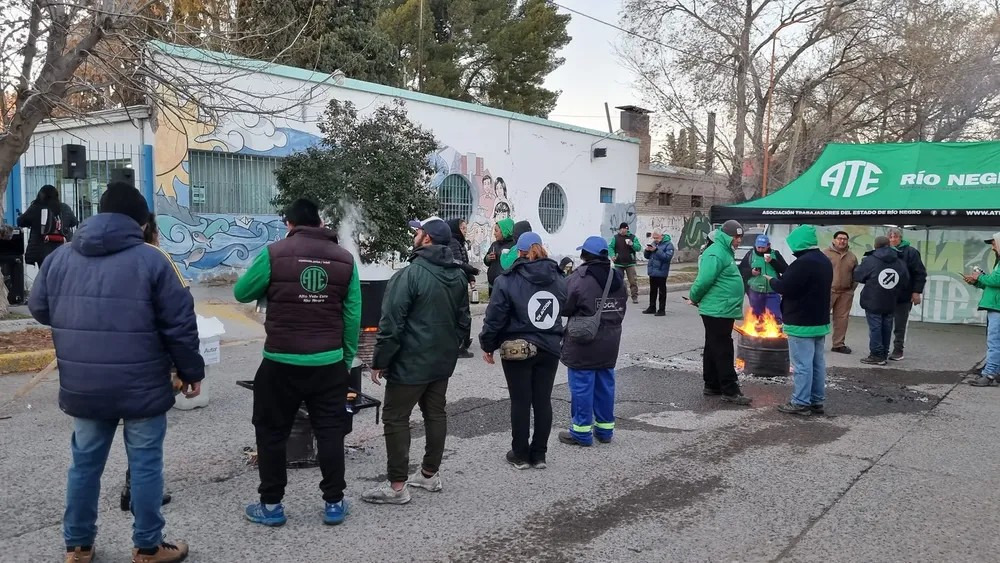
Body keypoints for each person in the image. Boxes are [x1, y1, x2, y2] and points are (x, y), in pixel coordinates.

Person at [28, 182, 203, 563]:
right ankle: (147, 547)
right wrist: (190, 371)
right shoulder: (154, 260)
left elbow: (40, 308)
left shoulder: (60, 258)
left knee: (84, 464)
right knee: (144, 464)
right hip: (143, 385)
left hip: (84, 385)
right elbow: (180, 324)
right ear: (141, 223)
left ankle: (78, 547)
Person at [232, 198, 360, 527]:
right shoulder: (345, 260)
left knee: (272, 432)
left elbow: (242, 292)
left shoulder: (274, 253)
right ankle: (334, 503)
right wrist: (344, 360)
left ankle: (272, 506)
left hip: (280, 362)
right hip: (328, 363)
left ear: (289, 224)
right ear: (319, 222)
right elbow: (352, 316)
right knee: (331, 432)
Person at [363, 217, 471, 505]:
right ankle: (429, 474)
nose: (416, 234)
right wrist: (450, 348)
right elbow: (464, 322)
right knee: (435, 413)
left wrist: (379, 361)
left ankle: (397, 486)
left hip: (410, 364)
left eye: (419, 231)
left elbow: (391, 324)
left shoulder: (409, 275)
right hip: (441, 363)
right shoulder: (459, 275)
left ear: (428, 239)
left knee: (395, 417)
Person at [479, 231, 567, 469]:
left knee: (520, 402)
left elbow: (495, 318)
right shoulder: (559, 278)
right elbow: (564, 307)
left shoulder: (506, 280)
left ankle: (519, 454)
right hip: (550, 348)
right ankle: (539, 455)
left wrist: (488, 345)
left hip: (518, 349)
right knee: (542, 401)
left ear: (519, 252)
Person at [558, 235, 627, 447]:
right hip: (610, 340)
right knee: (605, 385)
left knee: (582, 386)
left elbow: (565, 306)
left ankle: (581, 433)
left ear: (585, 255)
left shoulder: (580, 278)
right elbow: (622, 306)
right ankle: (605, 431)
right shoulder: (617, 277)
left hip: (584, 341)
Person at [766, 225, 833, 416]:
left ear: (799, 242)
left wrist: (771, 280)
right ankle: (816, 401)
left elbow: (786, 286)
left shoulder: (803, 263)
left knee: (802, 364)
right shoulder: (823, 261)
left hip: (801, 322)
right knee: (816, 363)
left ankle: (801, 402)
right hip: (819, 321)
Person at [688, 220, 752, 406]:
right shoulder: (716, 252)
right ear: (725, 235)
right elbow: (704, 280)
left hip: (721, 308)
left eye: (740, 237)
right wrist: (694, 296)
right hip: (717, 309)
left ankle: (712, 384)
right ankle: (730, 390)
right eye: (736, 236)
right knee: (723, 348)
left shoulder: (724, 251)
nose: (739, 240)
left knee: (713, 345)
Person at [854, 236, 909, 366]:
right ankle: (884, 352)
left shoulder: (870, 260)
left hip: (873, 298)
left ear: (875, 245)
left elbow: (858, 275)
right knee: (887, 326)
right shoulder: (899, 260)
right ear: (888, 245)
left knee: (875, 327)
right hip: (891, 299)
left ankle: (877, 355)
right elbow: (905, 280)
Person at [964, 233, 1000, 386]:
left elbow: (996, 280)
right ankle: (994, 372)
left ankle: (989, 374)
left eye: (994, 244)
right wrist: (976, 282)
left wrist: (978, 277)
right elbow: (993, 285)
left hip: (997, 308)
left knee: (994, 342)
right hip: (995, 306)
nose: (992, 247)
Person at [887, 228, 927, 361]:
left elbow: (920, 273)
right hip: (886, 295)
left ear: (901, 238)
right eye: (891, 237)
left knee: (900, 324)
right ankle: (882, 348)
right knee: (884, 323)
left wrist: (916, 292)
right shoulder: (884, 251)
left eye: (895, 237)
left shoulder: (911, 252)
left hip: (904, 295)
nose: (893, 239)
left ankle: (898, 350)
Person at [18, 184, 78, 267]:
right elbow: (74, 222)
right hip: (62, 248)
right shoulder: (65, 208)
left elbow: (20, 222)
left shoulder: (35, 208)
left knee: (45, 276)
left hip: (41, 251)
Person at [448, 218, 479, 359]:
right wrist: (472, 270)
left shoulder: (459, 242)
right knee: (462, 315)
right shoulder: (453, 242)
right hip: (456, 282)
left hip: (461, 280)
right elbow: (458, 262)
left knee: (464, 313)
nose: (465, 231)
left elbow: (464, 260)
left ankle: (464, 341)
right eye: (463, 228)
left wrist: (471, 278)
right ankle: (460, 346)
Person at [823, 231, 859, 354]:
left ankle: (838, 344)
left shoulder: (852, 257)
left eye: (845, 239)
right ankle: (817, 342)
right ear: (834, 240)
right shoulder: (825, 254)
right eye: (839, 238)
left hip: (845, 293)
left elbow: (856, 274)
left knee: (842, 319)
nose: (842, 241)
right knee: (821, 317)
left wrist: (851, 289)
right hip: (828, 291)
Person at [738, 234, 788, 322]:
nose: (760, 250)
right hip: (755, 292)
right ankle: (757, 335)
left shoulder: (775, 254)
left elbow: (785, 270)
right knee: (757, 318)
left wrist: (772, 262)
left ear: (768, 245)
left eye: (763, 247)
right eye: (759, 247)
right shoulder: (750, 255)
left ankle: (775, 334)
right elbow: (741, 270)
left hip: (773, 292)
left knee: (775, 318)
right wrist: (751, 272)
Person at [642, 230, 675, 316]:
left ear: (662, 236)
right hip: (652, 271)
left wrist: (656, 250)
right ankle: (652, 307)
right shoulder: (654, 243)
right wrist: (647, 250)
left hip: (661, 271)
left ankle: (661, 309)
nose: (655, 239)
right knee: (652, 290)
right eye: (654, 238)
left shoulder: (668, 245)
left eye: (657, 238)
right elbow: (647, 256)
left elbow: (667, 257)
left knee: (662, 291)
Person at [608, 222, 641, 304]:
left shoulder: (632, 237)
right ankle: (619, 296)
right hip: (618, 263)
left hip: (630, 263)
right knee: (618, 281)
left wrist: (632, 244)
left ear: (627, 229)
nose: (622, 230)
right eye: (621, 229)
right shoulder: (616, 237)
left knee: (633, 281)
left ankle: (634, 296)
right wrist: (612, 255)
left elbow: (638, 248)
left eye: (624, 229)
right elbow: (611, 247)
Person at [484, 218, 515, 296]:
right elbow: (486, 262)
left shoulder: (514, 246)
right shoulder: (494, 244)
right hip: (492, 285)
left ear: (504, 231)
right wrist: (488, 258)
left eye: (496, 231)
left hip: (505, 287)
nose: (494, 233)